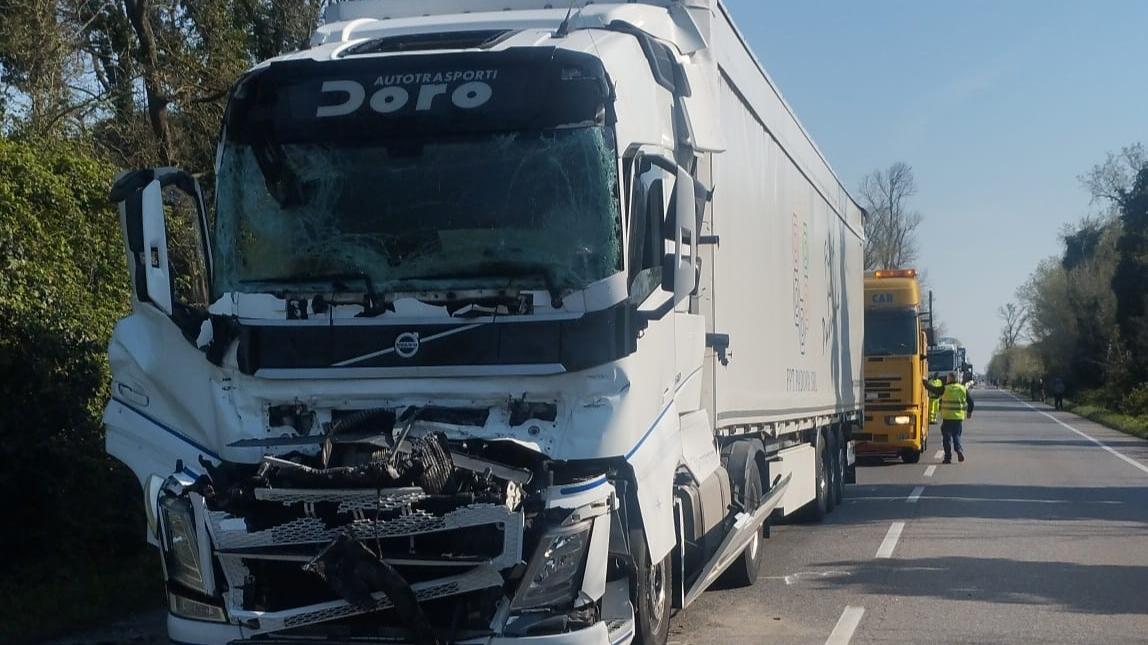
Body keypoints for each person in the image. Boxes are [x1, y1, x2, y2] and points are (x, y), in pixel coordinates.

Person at [923, 372, 975, 464]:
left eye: (947, 378)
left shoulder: (945, 388)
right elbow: (971, 402)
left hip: (947, 418)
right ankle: (958, 449)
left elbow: (934, 390)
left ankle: (948, 457)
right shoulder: (962, 389)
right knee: (956, 435)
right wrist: (969, 412)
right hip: (958, 418)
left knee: (946, 438)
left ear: (950, 379)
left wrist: (925, 383)